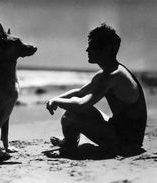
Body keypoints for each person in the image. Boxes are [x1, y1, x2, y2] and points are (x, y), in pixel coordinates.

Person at [46, 23, 147, 154]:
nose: (87, 50)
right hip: (124, 133)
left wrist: (57, 102)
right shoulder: (110, 71)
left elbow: (83, 104)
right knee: (73, 110)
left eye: (92, 46)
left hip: (126, 142)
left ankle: (69, 145)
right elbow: (80, 92)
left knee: (70, 115)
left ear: (106, 50)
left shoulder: (113, 75)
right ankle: (69, 142)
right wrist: (55, 98)